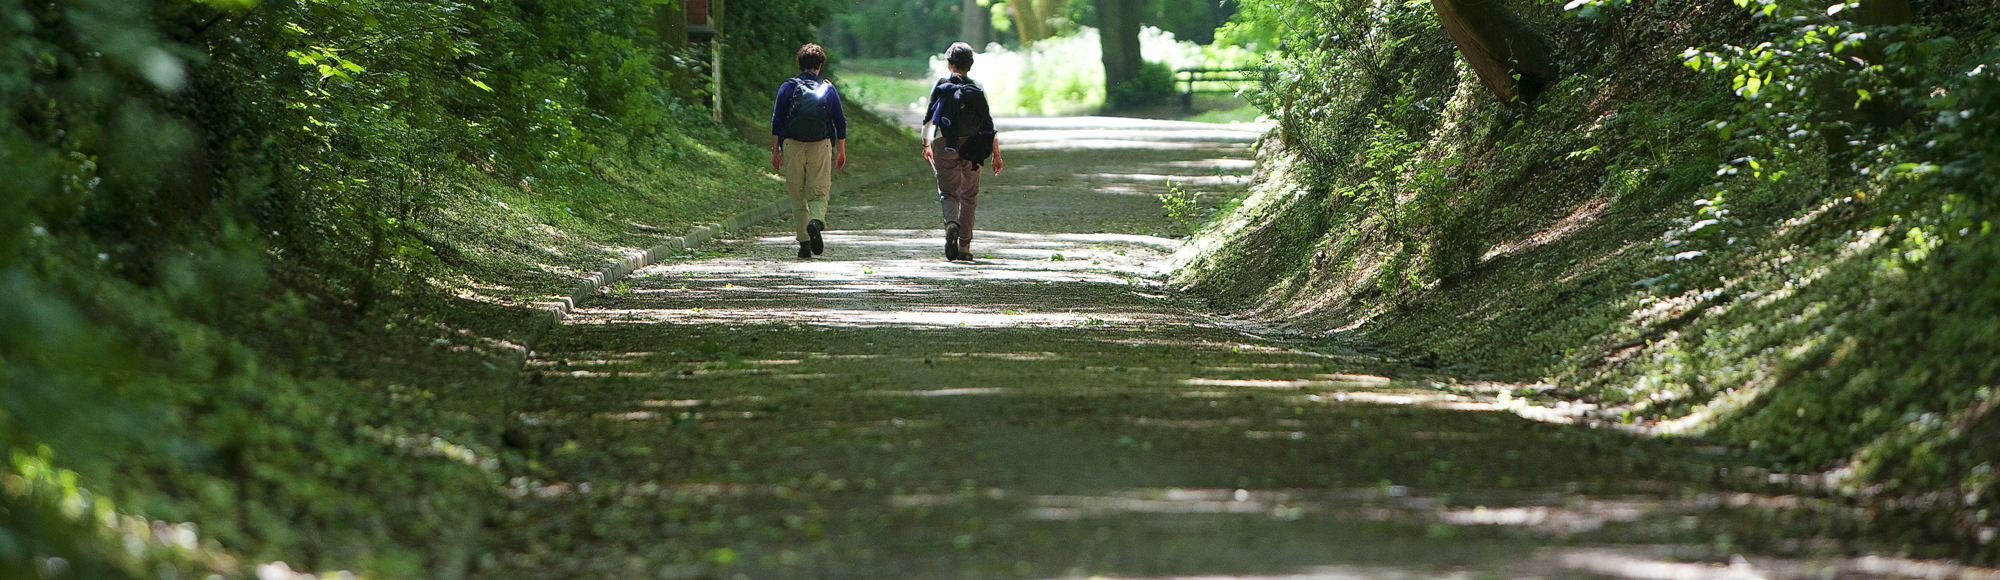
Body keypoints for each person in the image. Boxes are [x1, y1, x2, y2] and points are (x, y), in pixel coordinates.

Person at [923, 42, 1002, 262]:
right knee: (969, 196)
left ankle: (951, 225)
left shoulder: (941, 84)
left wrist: (926, 145)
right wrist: (996, 154)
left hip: (943, 142)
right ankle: (965, 247)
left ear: (950, 64)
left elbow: (929, 118)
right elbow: (988, 123)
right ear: (971, 65)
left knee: (949, 192)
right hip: (973, 146)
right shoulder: (977, 87)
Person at [771, 44, 848, 259]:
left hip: (792, 145)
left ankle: (804, 245)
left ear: (800, 64)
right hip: (820, 145)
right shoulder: (828, 88)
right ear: (820, 65)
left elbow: (777, 120)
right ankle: (815, 220)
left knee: (797, 196)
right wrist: (840, 150)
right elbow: (840, 122)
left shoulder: (788, 87)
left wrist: (775, 151)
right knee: (819, 191)